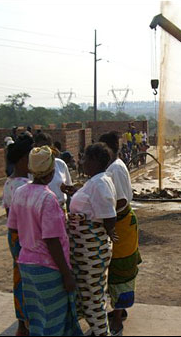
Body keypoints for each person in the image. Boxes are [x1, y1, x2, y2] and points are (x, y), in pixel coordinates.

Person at [7, 146, 83, 336]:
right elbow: (52, 241)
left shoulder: (20, 192)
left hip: (27, 265)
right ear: (51, 172)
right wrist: (66, 274)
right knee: (54, 319)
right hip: (48, 268)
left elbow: (13, 228)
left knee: (37, 317)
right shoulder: (48, 199)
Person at [68, 142, 118, 336]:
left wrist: (107, 231)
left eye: (86, 159)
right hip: (86, 246)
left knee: (92, 294)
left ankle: (101, 332)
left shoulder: (99, 182)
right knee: (89, 292)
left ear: (96, 160)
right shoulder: (95, 181)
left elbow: (108, 214)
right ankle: (97, 329)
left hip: (91, 247)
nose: (82, 162)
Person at [99, 132, 142, 336]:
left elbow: (121, 201)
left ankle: (117, 318)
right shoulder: (115, 165)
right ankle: (119, 309)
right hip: (122, 223)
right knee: (117, 268)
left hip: (121, 224)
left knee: (119, 270)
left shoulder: (114, 169)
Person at [2, 134, 34, 337]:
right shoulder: (24, 185)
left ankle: (22, 323)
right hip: (26, 236)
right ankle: (27, 322)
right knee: (29, 280)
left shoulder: (8, 183)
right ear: (23, 160)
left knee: (19, 278)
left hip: (14, 236)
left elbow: (8, 215)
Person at [33, 133, 74, 213]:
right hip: (41, 211)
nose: (44, 151)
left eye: (47, 147)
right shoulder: (32, 169)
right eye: (41, 148)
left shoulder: (60, 164)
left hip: (61, 209)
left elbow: (69, 187)